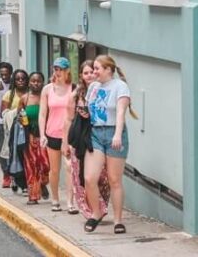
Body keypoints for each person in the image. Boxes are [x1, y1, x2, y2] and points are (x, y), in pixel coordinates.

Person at [83, 55, 137, 234]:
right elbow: (89, 110)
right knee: (90, 178)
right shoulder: (93, 87)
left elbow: (121, 112)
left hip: (115, 132)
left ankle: (118, 220)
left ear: (108, 70)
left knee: (115, 180)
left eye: (97, 68)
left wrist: (116, 135)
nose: (94, 72)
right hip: (95, 134)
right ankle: (97, 213)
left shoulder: (120, 86)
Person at [62, 60, 110, 222]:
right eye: (86, 73)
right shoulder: (76, 95)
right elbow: (68, 120)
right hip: (81, 140)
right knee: (81, 175)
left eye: (92, 72)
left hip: (100, 138)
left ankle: (100, 206)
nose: (90, 75)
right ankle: (92, 211)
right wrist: (65, 143)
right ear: (81, 76)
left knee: (103, 177)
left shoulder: (105, 91)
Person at [39, 57, 77, 214]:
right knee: (54, 170)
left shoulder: (74, 89)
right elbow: (42, 114)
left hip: (69, 135)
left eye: (61, 69)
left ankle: (70, 202)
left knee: (70, 168)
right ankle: (55, 199)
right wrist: (42, 134)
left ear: (68, 70)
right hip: (52, 133)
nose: (58, 72)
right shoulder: (47, 89)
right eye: (55, 69)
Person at [20, 72, 50, 204]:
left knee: (45, 165)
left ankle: (43, 183)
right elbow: (19, 116)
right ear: (29, 82)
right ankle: (33, 196)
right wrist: (22, 120)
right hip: (30, 136)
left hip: (45, 136)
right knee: (31, 166)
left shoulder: (47, 97)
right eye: (33, 81)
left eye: (38, 81)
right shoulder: (25, 99)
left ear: (42, 83)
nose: (35, 83)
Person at [1, 69, 29, 192]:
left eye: (23, 78)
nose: (21, 81)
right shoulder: (9, 95)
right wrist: (16, 112)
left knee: (26, 155)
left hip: (27, 129)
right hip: (14, 130)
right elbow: (4, 113)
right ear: (14, 81)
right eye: (18, 79)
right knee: (15, 155)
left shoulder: (30, 93)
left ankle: (25, 183)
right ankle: (15, 178)